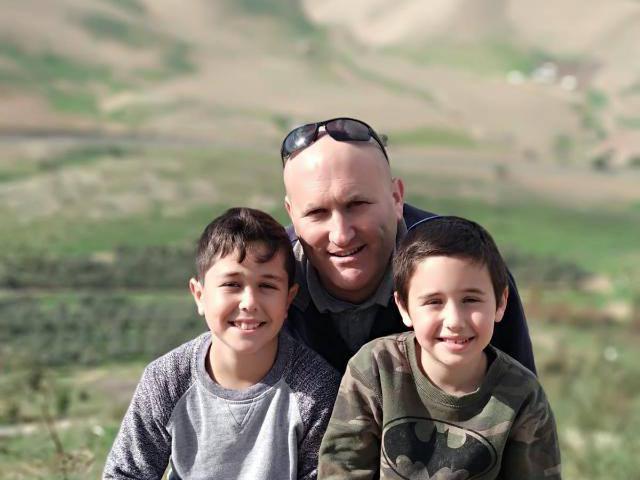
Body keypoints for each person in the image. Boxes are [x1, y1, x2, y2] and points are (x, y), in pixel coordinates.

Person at [281, 117, 535, 374]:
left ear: (396, 198)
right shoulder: (265, 278)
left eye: (357, 205)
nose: (341, 235)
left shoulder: (469, 266)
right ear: (291, 214)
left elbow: (517, 392)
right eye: (317, 213)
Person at [103, 208, 340, 480]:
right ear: (200, 295)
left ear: (288, 299)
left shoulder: (316, 390)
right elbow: (125, 474)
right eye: (232, 284)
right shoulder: (166, 380)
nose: (249, 302)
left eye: (267, 286)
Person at [318, 216, 561, 479]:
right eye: (434, 302)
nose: (454, 321)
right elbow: (342, 470)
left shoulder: (523, 396)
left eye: (471, 300)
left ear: (501, 303)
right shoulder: (375, 369)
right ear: (404, 308)